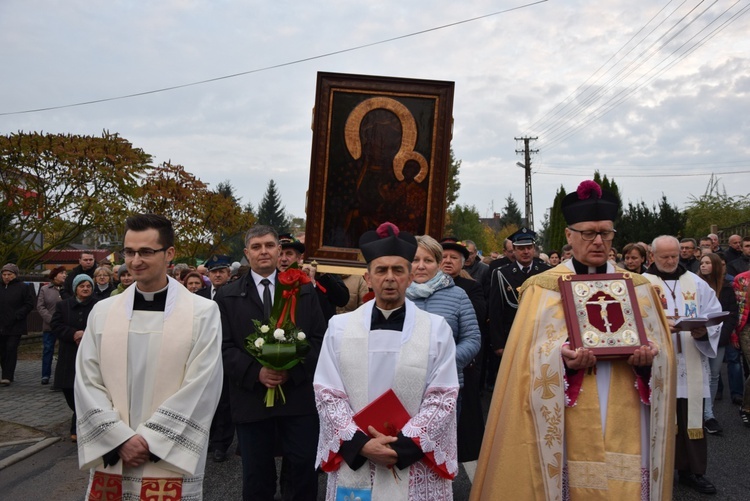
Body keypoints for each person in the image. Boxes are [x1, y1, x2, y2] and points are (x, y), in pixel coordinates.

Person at [471, 180, 676, 500]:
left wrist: (650, 359)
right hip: (568, 412)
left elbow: (664, 353)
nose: (598, 241)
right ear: (569, 235)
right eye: (588, 233)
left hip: (628, 406)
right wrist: (560, 356)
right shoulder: (542, 288)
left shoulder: (639, 287)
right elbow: (526, 358)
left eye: (605, 233)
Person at [74, 213, 223, 500]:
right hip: (115, 452)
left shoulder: (202, 313)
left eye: (145, 252)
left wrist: (151, 440)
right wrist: (120, 438)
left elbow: (202, 385)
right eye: (129, 252)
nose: (135, 260)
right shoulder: (103, 312)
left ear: (169, 254)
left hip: (167, 456)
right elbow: (87, 381)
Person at [314, 222, 459, 500]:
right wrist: (360, 444)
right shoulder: (340, 327)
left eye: (398, 270)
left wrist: (402, 446)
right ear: (368, 278)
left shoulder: (436, 328)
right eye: (381, 270)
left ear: (409, 277)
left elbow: (443, 396)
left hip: (414, 458)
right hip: (357, 454)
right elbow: (327, 393)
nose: (389, 278)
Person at [217, 225, 326, 501]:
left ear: (280, 251)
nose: (263, 251)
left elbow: (318, 338)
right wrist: (257, 372)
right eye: (256, 247)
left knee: (303, 468)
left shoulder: (303, 290)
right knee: (257, 474)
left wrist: (292, 372)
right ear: (246, 253)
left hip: (298, 396)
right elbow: (223, 346)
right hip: (251, 398)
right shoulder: (227, 297)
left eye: (269, 245)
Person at [643, 235, 722, 494]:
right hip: (658, 362)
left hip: (690, 356)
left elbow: (714, 313)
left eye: (674, 256)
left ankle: (692, 472)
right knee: (659, 416)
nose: (670, 261)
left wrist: (704, 332)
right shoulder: (642, 284)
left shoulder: (696, 283)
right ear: (652, 256)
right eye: (664, 256)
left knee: (691, 416)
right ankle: (657, 472)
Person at [197, 255, 234, 462]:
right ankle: (207, 439)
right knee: (204, 398)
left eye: (222, 271)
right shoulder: (199, 295)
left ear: (228, 274)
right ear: (208, 275)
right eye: (214, 271)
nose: (218, 274)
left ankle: (222, 443)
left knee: (225, 401)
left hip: (226, 352)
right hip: (204, 353)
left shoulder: (234, 293)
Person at [52, 274, 97, 442]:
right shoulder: (63, 306)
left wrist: (87, 334)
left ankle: (78, 427)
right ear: (75, 288)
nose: (85, 289)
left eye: (88, 286)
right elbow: (56, 325)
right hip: (69, 354)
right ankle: (78, 418)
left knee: (86, 390)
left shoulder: (98, 305)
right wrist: (73, 334)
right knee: (69, 390)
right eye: (82, 286)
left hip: (90, 354)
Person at [697, 253, 738, 436]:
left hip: (719, 339)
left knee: (713, 375)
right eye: (702, 262)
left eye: (707, 262)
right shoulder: (694, 286)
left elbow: (731, 316)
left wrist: (721, 338)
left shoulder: (727, 288)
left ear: (715, 265)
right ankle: (695, 412)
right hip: (698, 337)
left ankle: (708, 414)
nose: (704, 265)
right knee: (699, 375)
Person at [277, 232, 349, 322]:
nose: (284, 259)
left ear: (298, 258)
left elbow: (342, 300)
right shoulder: (269, 279)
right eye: (280, 254)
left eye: (289, 254)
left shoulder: (321, 273)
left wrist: (317, 280)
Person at [0, 263, 36, 386]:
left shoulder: (23, 287)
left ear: (15, 275)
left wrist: (18, 315)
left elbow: (29, 304)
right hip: (1, 324)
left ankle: (7, 376)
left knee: (11, 348)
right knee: (2, 350)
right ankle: (5, 372)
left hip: (16, 325)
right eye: (4, 274)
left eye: (9, 274)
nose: (6, 277)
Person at [37, 266, 67, 385]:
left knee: (63, 351)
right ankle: (45, 375)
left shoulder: (67, 289)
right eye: (62, 273)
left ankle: (62, 375)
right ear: (55, 276)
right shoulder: (45, 289)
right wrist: (51, 319)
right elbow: (40, 306)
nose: (64, 275)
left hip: (64, 326)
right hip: (49, 326)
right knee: (48, 349)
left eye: (65, 273)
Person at [733, 269, 750, 427]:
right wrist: (734, 333)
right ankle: (746, 408)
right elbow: (736, 308)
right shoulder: (741, 279)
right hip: (746, 329)